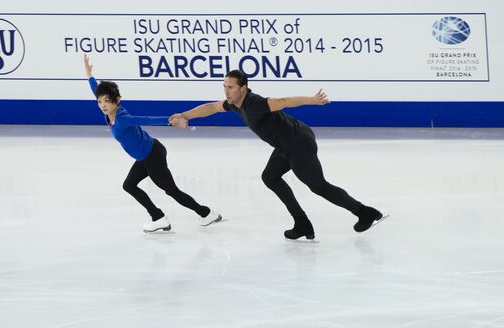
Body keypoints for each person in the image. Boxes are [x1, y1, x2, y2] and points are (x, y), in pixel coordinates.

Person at [169, 70, 385, 240]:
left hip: (299, 143)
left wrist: (312, 100)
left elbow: (284, 101)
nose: (227, 91)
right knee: (270, 177)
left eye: (231, 87)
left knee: (318, 186)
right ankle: (301, 223)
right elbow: (212, 107)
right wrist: (184, 115)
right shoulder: (235, 105)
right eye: (224, 87)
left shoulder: (254, 103)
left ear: (243, 88)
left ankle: (365, 212)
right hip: (285, 145)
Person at [83, 55, 221, 233]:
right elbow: (97, 89)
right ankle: (158, 217)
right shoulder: (108, 111)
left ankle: (206, 213)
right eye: (100, 101)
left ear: (117, 101)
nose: (102, 105)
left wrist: (171, 120)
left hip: (152, 154)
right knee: (129, 185)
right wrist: (89, 75)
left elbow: (145, 119)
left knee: (171, 191)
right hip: (145, 155)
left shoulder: (122, 118)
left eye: (107, 101)